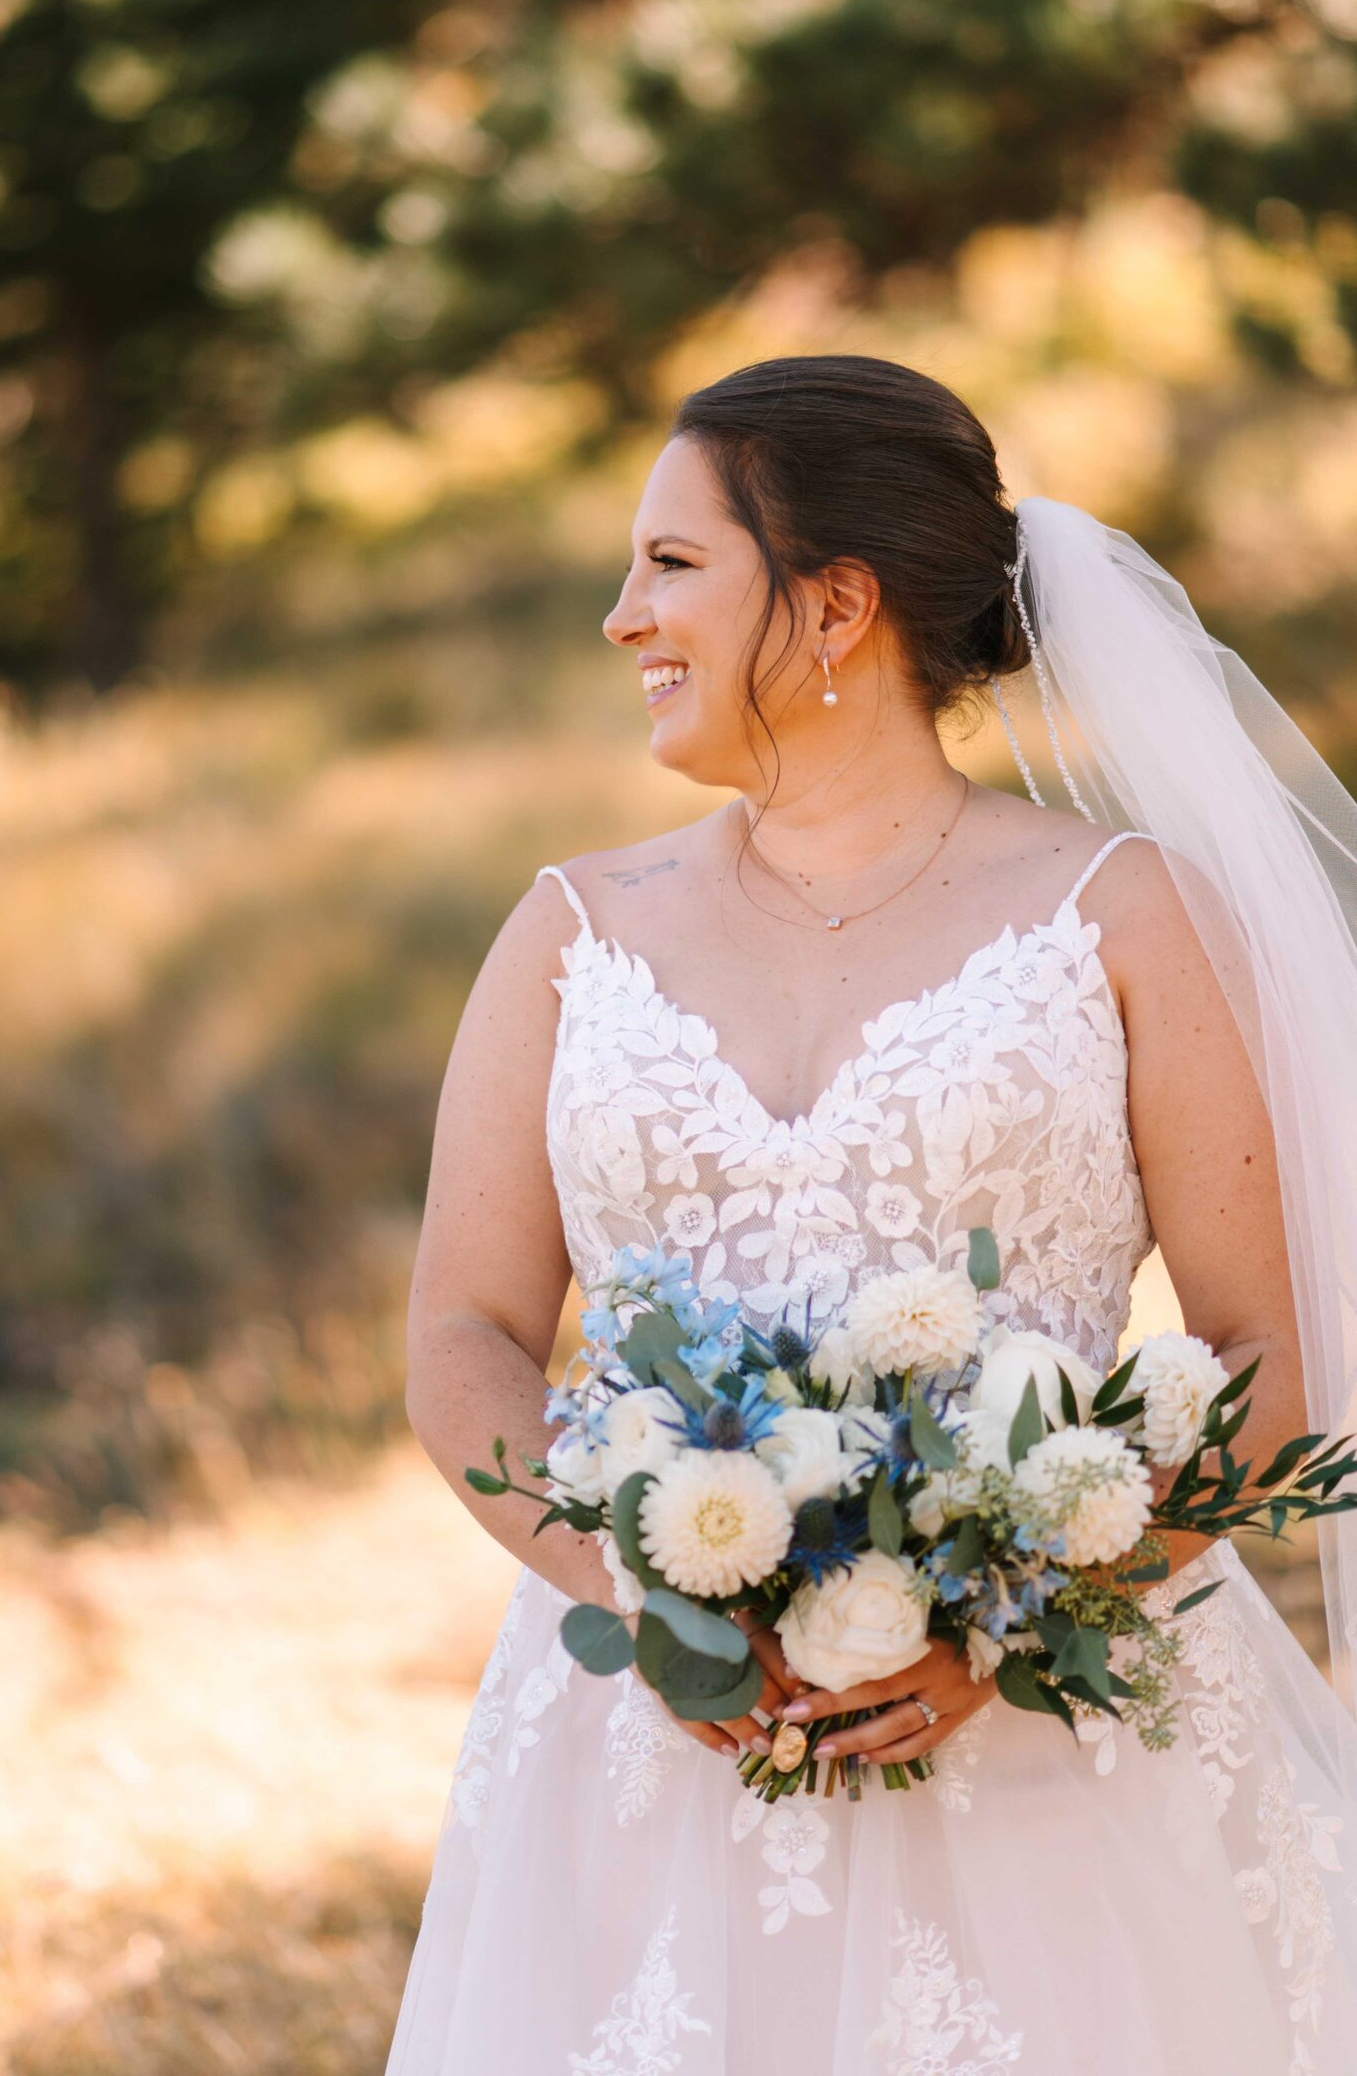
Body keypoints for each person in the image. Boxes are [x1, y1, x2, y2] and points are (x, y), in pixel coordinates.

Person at [385, 356, 1357, 2073]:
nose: (623, 618)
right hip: (646, 1760)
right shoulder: (567, 935)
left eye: (672, 565)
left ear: (836, 604)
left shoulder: (1122, 919)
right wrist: (642, 1589)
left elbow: (1266, 1349)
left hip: (1059, 1754)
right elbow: (463, 1330)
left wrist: (1008, 1615)